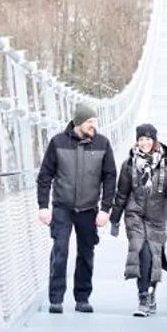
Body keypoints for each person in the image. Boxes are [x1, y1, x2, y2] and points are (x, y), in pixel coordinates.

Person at [36, 104, 115, 314]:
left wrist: (105, 209)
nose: (93, 126)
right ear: (79, 122)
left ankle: (82, 298)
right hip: (62, 207)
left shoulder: (103, 144)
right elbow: (45, 176)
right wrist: (43, 206)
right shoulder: (58, 142)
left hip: (89, 209)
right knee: (60, 252)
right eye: (90, 122)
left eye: (95, 122)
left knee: (86, 254)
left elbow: (110, 178)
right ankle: (56, 299)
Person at [109, 123, 167, 316]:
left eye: (148, 139)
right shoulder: (129, 164)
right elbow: (122, 194)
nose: (144, 143)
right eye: (141, 139)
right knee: (142, 252)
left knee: (154, 255)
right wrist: (115, 219)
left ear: (154, 141)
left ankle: (151, 293)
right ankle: (143, 297)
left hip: (158, 217)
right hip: (135, 215)